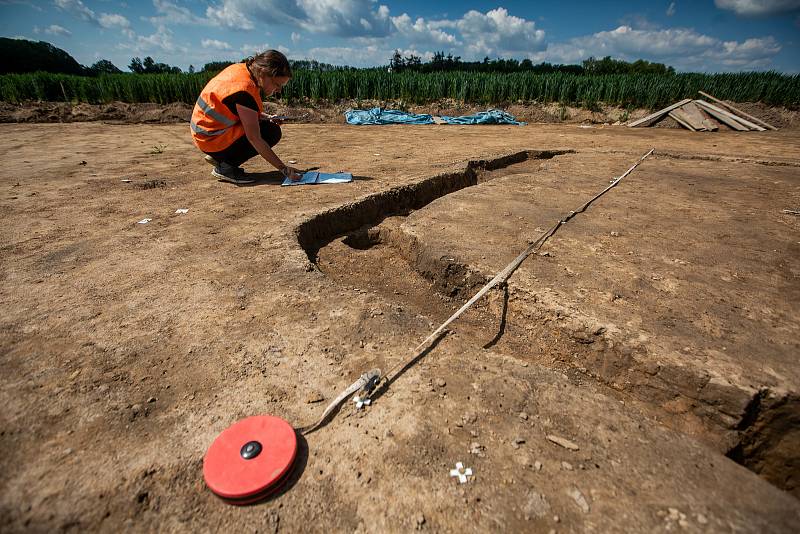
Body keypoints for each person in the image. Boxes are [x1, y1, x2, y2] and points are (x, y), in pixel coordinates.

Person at [190, 50, 301, 184]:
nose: (278, 90)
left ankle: (221, 158)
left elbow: (238, 110)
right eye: (277, 84)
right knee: (270, 132)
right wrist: (283, 169)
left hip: (205, 134)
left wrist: (267, 117)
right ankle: (226, 167)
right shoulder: (244, 91)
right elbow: (254, 138)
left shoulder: (241, 70)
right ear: (263, 73)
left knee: (268, 126)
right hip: (211, 140)